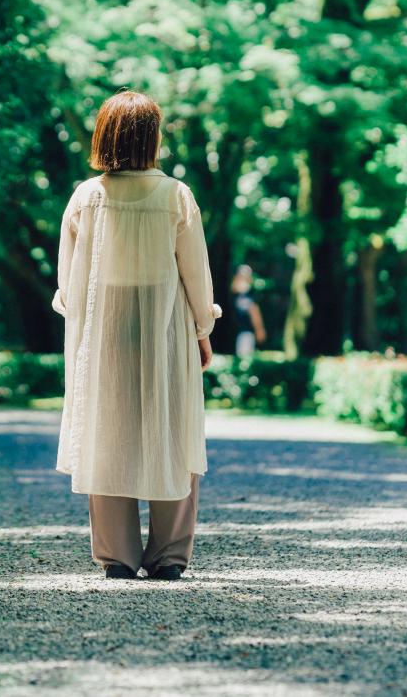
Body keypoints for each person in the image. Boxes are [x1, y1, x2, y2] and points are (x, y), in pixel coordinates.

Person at [51, 90, 218, 581]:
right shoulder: (175, 195)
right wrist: (203, 329)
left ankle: (118, 555)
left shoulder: (87, 196)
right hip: (166, 326)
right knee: (174, 429)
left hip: (105, 330)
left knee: (107, 431)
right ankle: (169, 555)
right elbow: (196, 277)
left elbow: (69, 286)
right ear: (153, 138)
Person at [231, 264, 267, 360]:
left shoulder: (250, 295)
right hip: (239, 331)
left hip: (247, 332)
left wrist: (259, 329)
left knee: (244, 358)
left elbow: (255, 312)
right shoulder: (238, 293)